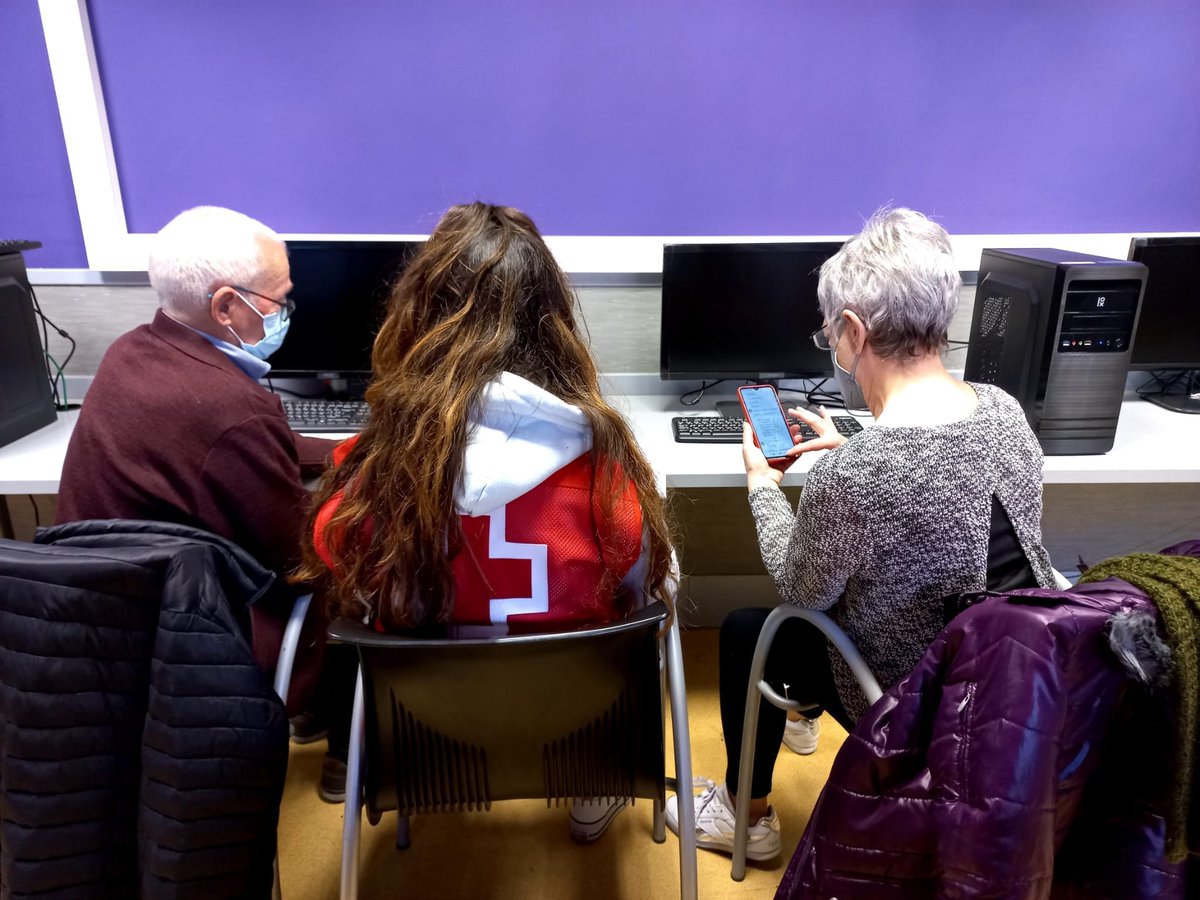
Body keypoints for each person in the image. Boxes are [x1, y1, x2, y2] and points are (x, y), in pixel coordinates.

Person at [666, 207, 1056, 860]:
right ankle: (789, 738)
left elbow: (801, 592)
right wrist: (855, 445)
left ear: (851, 331)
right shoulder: (1004, 411)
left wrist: (762, 484)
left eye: (829, 334)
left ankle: (747, 817)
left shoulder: (854, 475)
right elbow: (940, 494)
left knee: (746, 629)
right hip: (1019, 682)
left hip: (914, 704)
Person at [296, 201, 677, 839]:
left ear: (420, 315)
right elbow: (640, 594)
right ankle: (592, 791)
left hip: (424, 732)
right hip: (579, 723)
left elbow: (346, 576)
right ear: (553, 322)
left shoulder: (372, 476)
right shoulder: (611, 475)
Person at [55, 205, 340, 772]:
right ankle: (350, 751)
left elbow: (262, 437)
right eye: (279, 299)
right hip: (190, 639)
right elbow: (295, 557)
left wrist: (352, 450)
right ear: (226, 306)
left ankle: (317, 716)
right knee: (359, 570)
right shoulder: (231, 412)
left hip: (106, 621)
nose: (287, 311)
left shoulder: (134, 351)